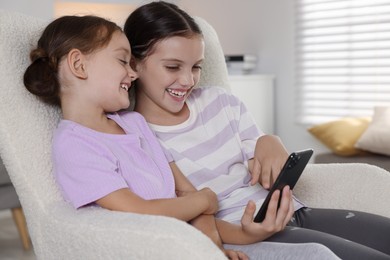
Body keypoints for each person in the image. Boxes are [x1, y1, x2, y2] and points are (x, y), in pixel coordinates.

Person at [22, 15, 339, 260]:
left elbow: (184, 190)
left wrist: (213, 245)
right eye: (122, 61)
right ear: (79, 64)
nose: (132, 74)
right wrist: (202, 201)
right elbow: (137, 211)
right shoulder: (74, 145)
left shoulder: (133, 123)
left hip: (197, 244)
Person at [124, 1, 390, 259]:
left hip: (289, 211)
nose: (187, 80)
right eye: (173, 67)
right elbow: (180, 216)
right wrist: (245, 233)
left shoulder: (220, 102)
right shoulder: (135, 137)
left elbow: (262, 162)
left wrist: (269, 141)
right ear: (134, 65)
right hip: (244, 231)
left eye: (196, 67)